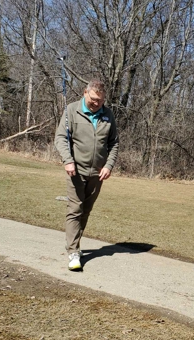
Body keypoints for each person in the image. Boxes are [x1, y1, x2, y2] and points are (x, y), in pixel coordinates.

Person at [54, 78, 119, 271]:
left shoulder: (108, 115)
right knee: (75, 209)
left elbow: (114, 143)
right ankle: (73, 251)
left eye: (100, 101)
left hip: (98, 173)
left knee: (86, 211)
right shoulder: (71, 111)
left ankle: (75, 243)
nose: (96, 104)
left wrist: (109, 165)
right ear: (85, 93)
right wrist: (67, 160)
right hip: (76, 170)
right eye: (93, 100)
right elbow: (60, 138)